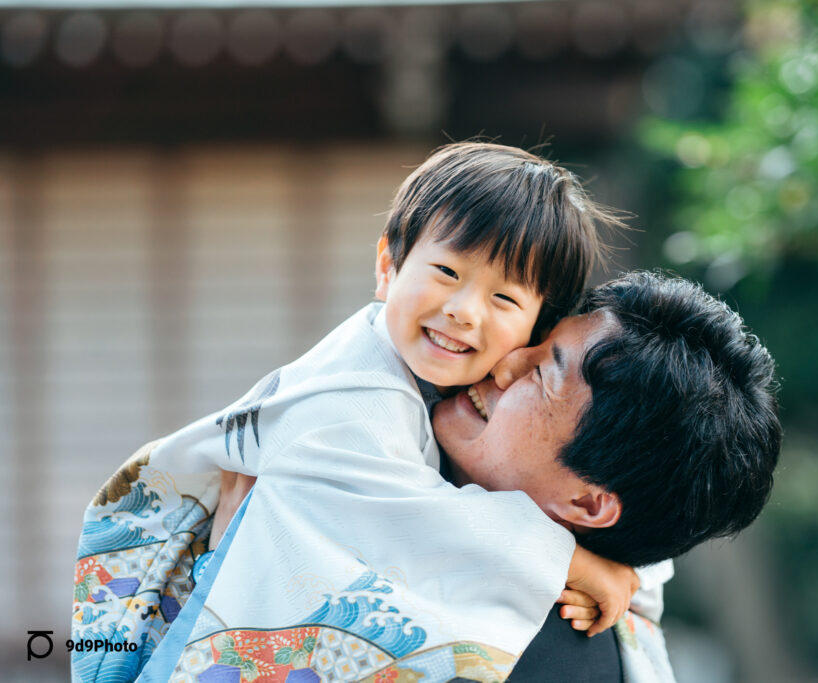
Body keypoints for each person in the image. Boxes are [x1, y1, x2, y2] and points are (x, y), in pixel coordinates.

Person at [72, 142, 644, 683]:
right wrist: (576, 564)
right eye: (447, 272)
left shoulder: (432, 387)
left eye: (504, 298)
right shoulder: (354, 390)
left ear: (534, 328)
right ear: (387, 266)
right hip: (175, 601)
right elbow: (415, 517)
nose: (463, 310)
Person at [213, 270, 783, 680]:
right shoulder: (374, 450)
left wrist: (235, 583)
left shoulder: (530, 650)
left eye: (542, 374)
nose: (506, 361)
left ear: (588, 504)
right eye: (535, 343)